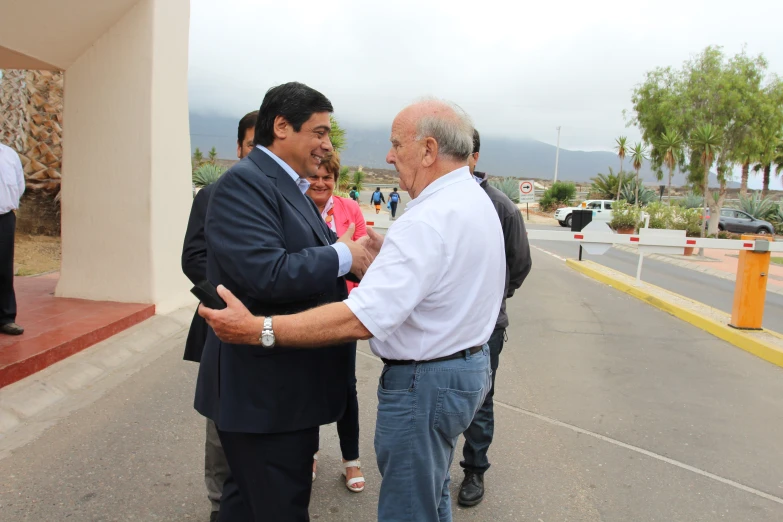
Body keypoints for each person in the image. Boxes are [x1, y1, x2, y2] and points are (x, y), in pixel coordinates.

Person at [199, 99, 506, 522]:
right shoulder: (472, 198)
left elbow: (360, 317)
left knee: (409, 511)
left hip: (427, 384)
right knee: (429, 495)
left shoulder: (427, 219)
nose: (389, 155)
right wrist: (385, 262)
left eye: (397, 144)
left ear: (430, 150)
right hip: (462, 371)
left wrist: (260, 329)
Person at [193, 82, 372, 522]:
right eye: (319, 132)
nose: (326, 145)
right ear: (281, 127)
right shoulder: (245, 184)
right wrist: (345, 254)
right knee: (279, 508)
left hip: (283, 394)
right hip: (266, 397)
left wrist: (358, 258)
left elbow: (320, 253)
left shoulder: (287, 186)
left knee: (243, 504)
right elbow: (267, 272)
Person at [181, 110, 257, 522]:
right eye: (249, 145)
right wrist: (225, 303)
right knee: (220, 419)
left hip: (271, 332)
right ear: (238, 148)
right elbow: (193, 257)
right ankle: (218, 503)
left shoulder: (291, 193)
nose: (255, 153)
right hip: (223, 326)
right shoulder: (212, 194)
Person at [458, 128, 532, 507]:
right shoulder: (435, 201)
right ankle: (435, 465)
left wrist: (492, 298)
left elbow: (520, 264)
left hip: (487, 328)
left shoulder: (500, 206)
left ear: (475, 157)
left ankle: (475, 469)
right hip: (445, 325)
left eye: (465, 153)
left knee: (480, 398)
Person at [304, 150, 366, 492]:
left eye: (327, 177)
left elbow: (361, 257)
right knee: (307, 382)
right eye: (314, 176)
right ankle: (309, 453)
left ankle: (351, 460)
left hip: (343, 308)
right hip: (305, 310)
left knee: (346, 385)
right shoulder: (294, 208)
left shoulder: (349, 210)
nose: (320, 183)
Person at [0, 142, 25, 336]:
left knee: (3, 269)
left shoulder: (9, 154)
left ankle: (6, 318)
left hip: (4, 218)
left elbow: (19, 185)